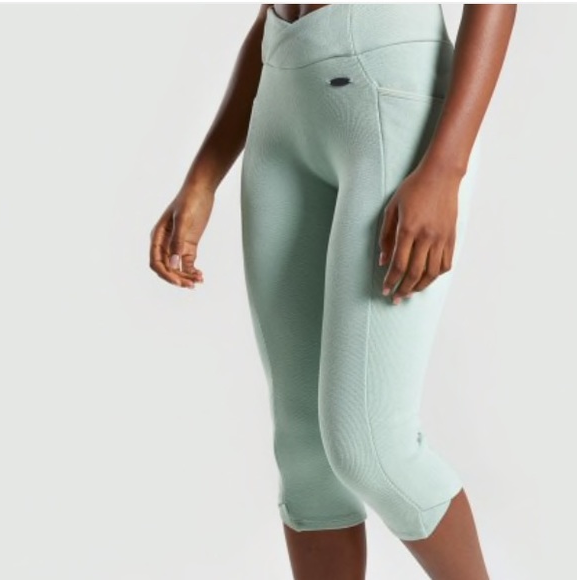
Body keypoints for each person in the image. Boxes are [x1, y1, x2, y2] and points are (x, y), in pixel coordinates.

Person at [149, 4, 516, 579]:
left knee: (372, 446)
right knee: (305, 456)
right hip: (279, 99)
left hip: (387, 93)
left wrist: (446, 167)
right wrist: (203, 175)